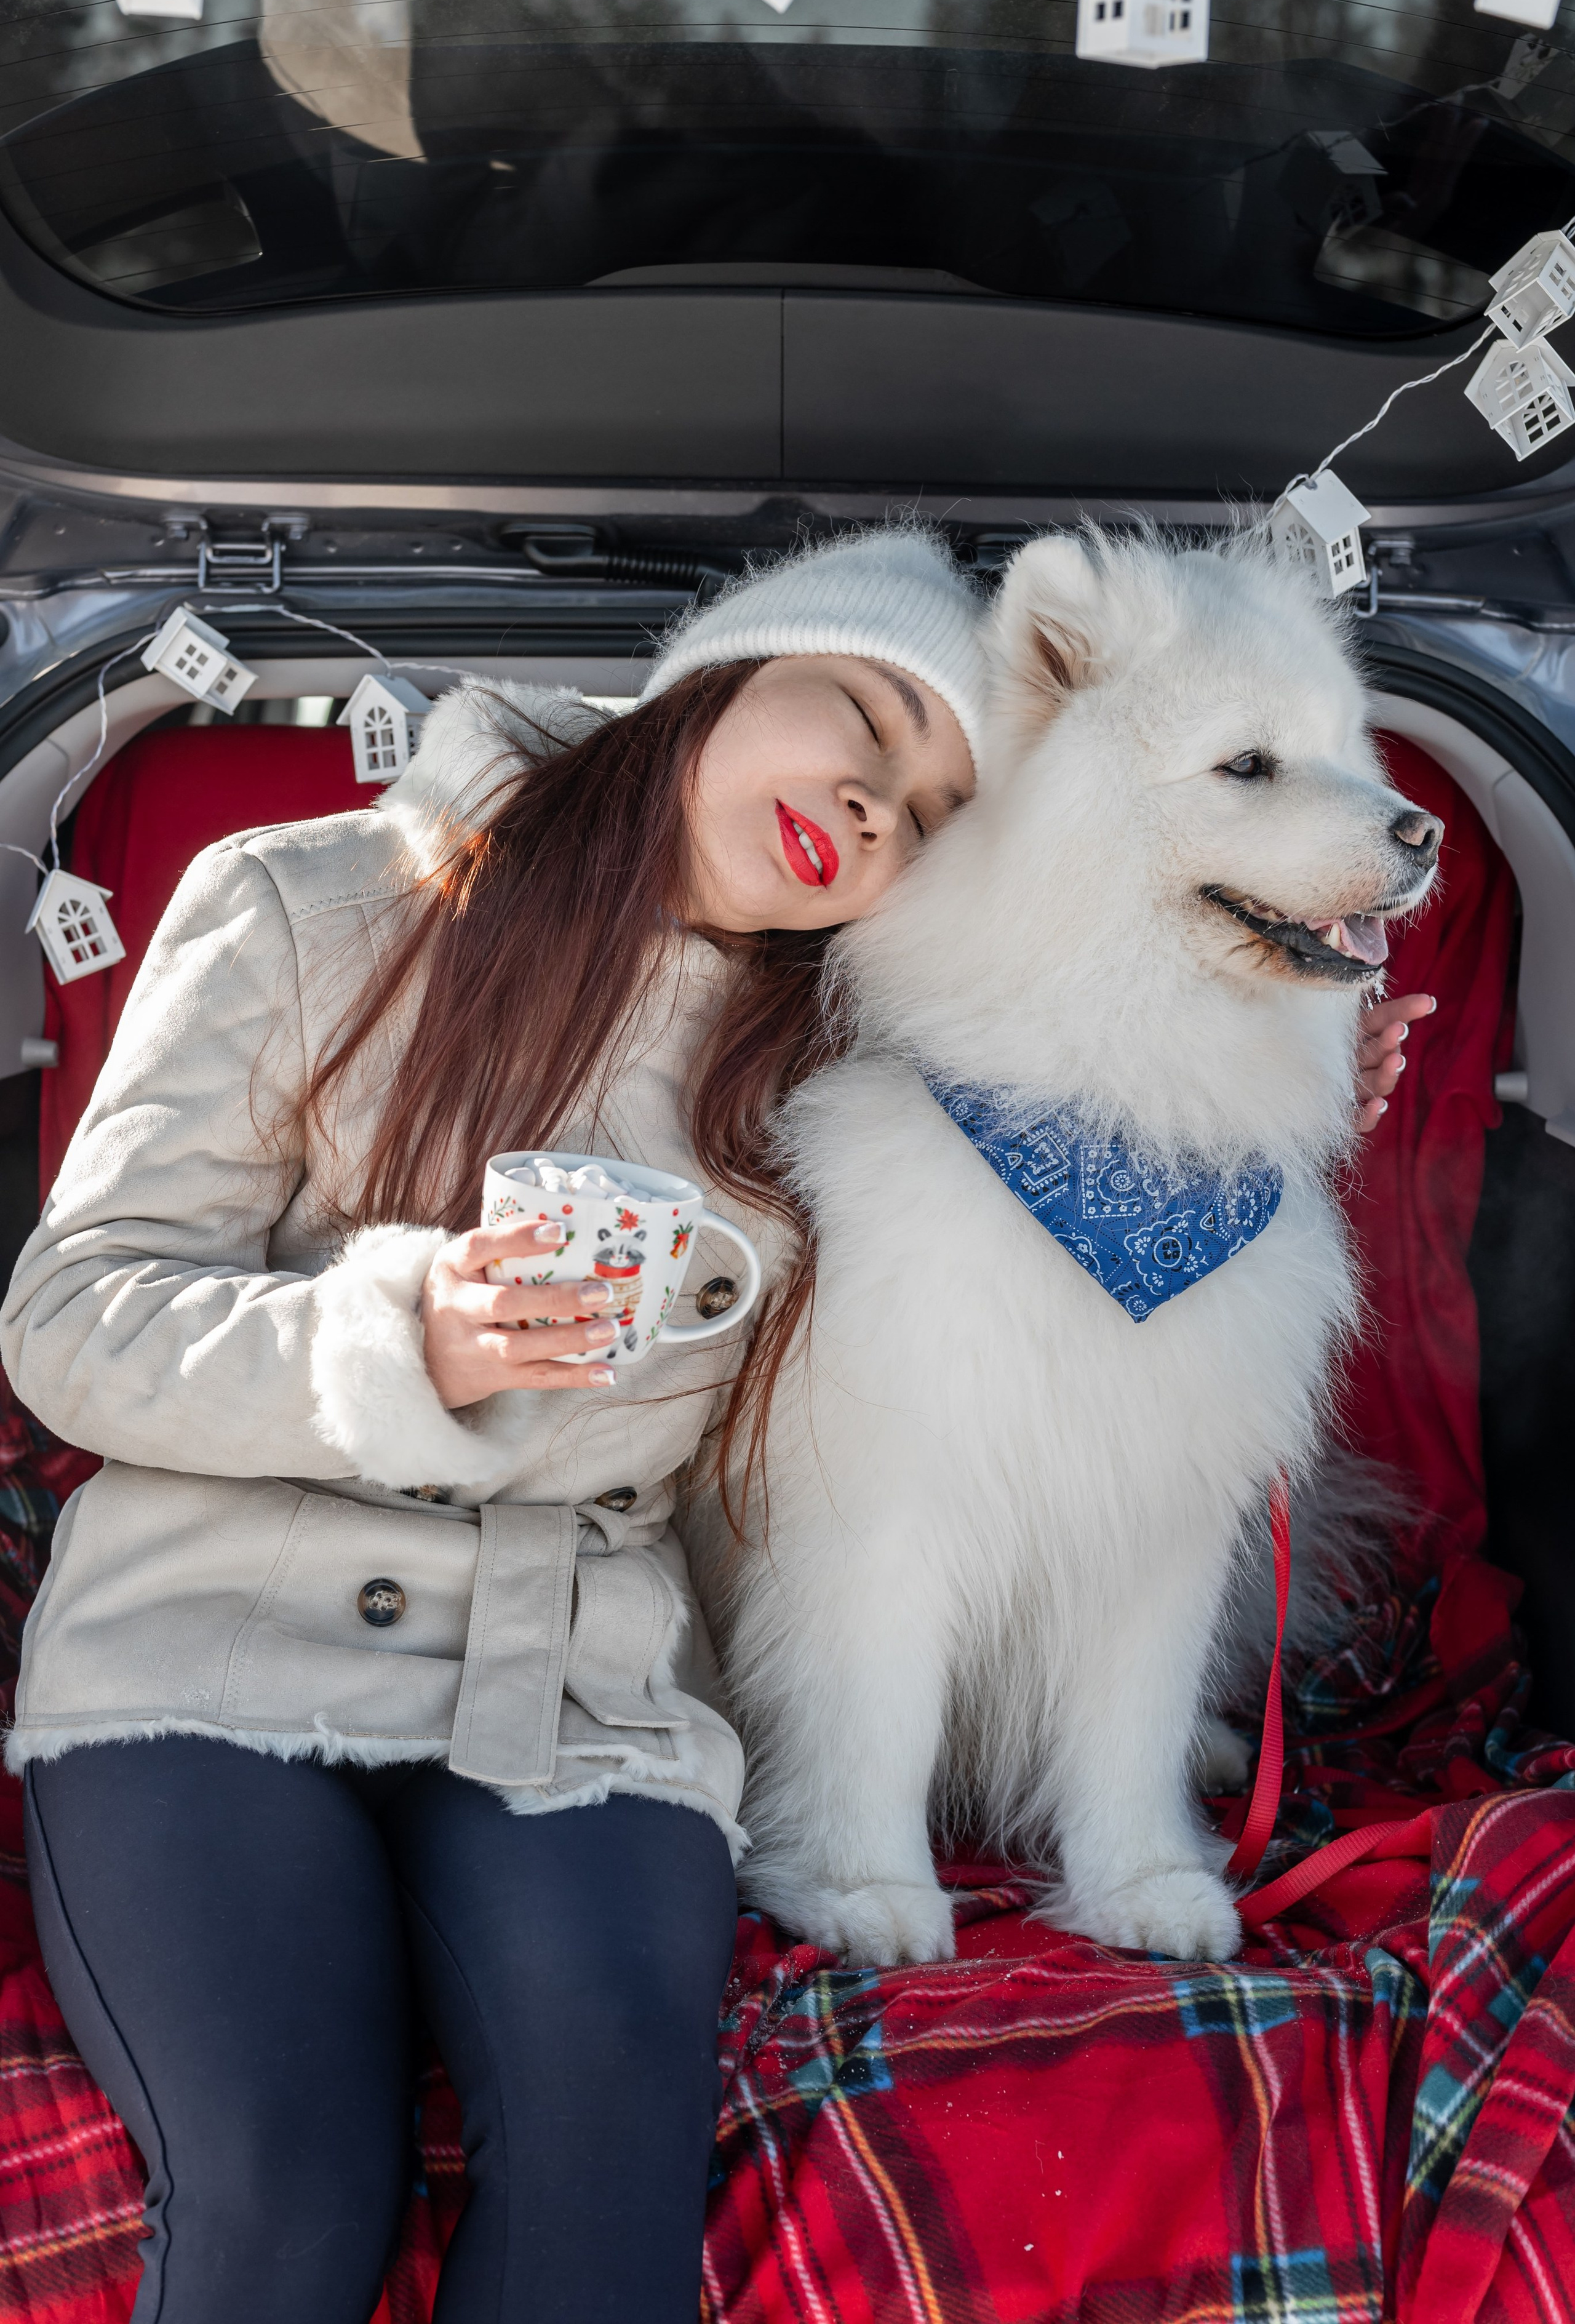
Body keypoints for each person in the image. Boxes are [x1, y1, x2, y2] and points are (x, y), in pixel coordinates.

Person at [0, 528, 1424, 2324]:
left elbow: (1090, 1081)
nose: (877, 802)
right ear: (719, 675)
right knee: (285, 2190)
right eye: (862, 717)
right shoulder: (299, 901)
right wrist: (401, 1338)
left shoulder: (841, 1054)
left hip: (575, 1687)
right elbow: (70, 1319)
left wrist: (1278, 1089)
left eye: (930, 807)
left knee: (599, 2207)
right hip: (209, 1638)